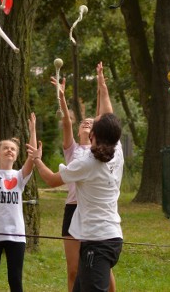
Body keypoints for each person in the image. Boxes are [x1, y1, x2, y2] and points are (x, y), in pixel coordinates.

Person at [29, 63, 123, 292]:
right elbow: (107, 114)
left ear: (93, 134)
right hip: (111, 238)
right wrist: (102, 85)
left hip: (97, 243)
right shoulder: (116, 150)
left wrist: (37, 159)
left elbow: (51, 180)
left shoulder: (86, 163)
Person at [50, 70, 117, 292]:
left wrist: (102, 89)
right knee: (74, 269)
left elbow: (104, 116)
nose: (87, 123)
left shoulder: (100, 154)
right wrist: (61, 98)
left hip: (94, 216)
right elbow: (68, 123)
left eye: (91, 122)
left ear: (96, 133)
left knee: (101, 268)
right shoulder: (74, 151)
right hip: (74, 209)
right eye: (84, 123)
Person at [0, 112, 35, 292]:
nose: (9, 150)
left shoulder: (19, 176)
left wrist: (33, 130)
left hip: (16, 235)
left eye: (13, 149)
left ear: (16, 155)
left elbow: (32, 160)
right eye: (5, 148)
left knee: (15, 281)